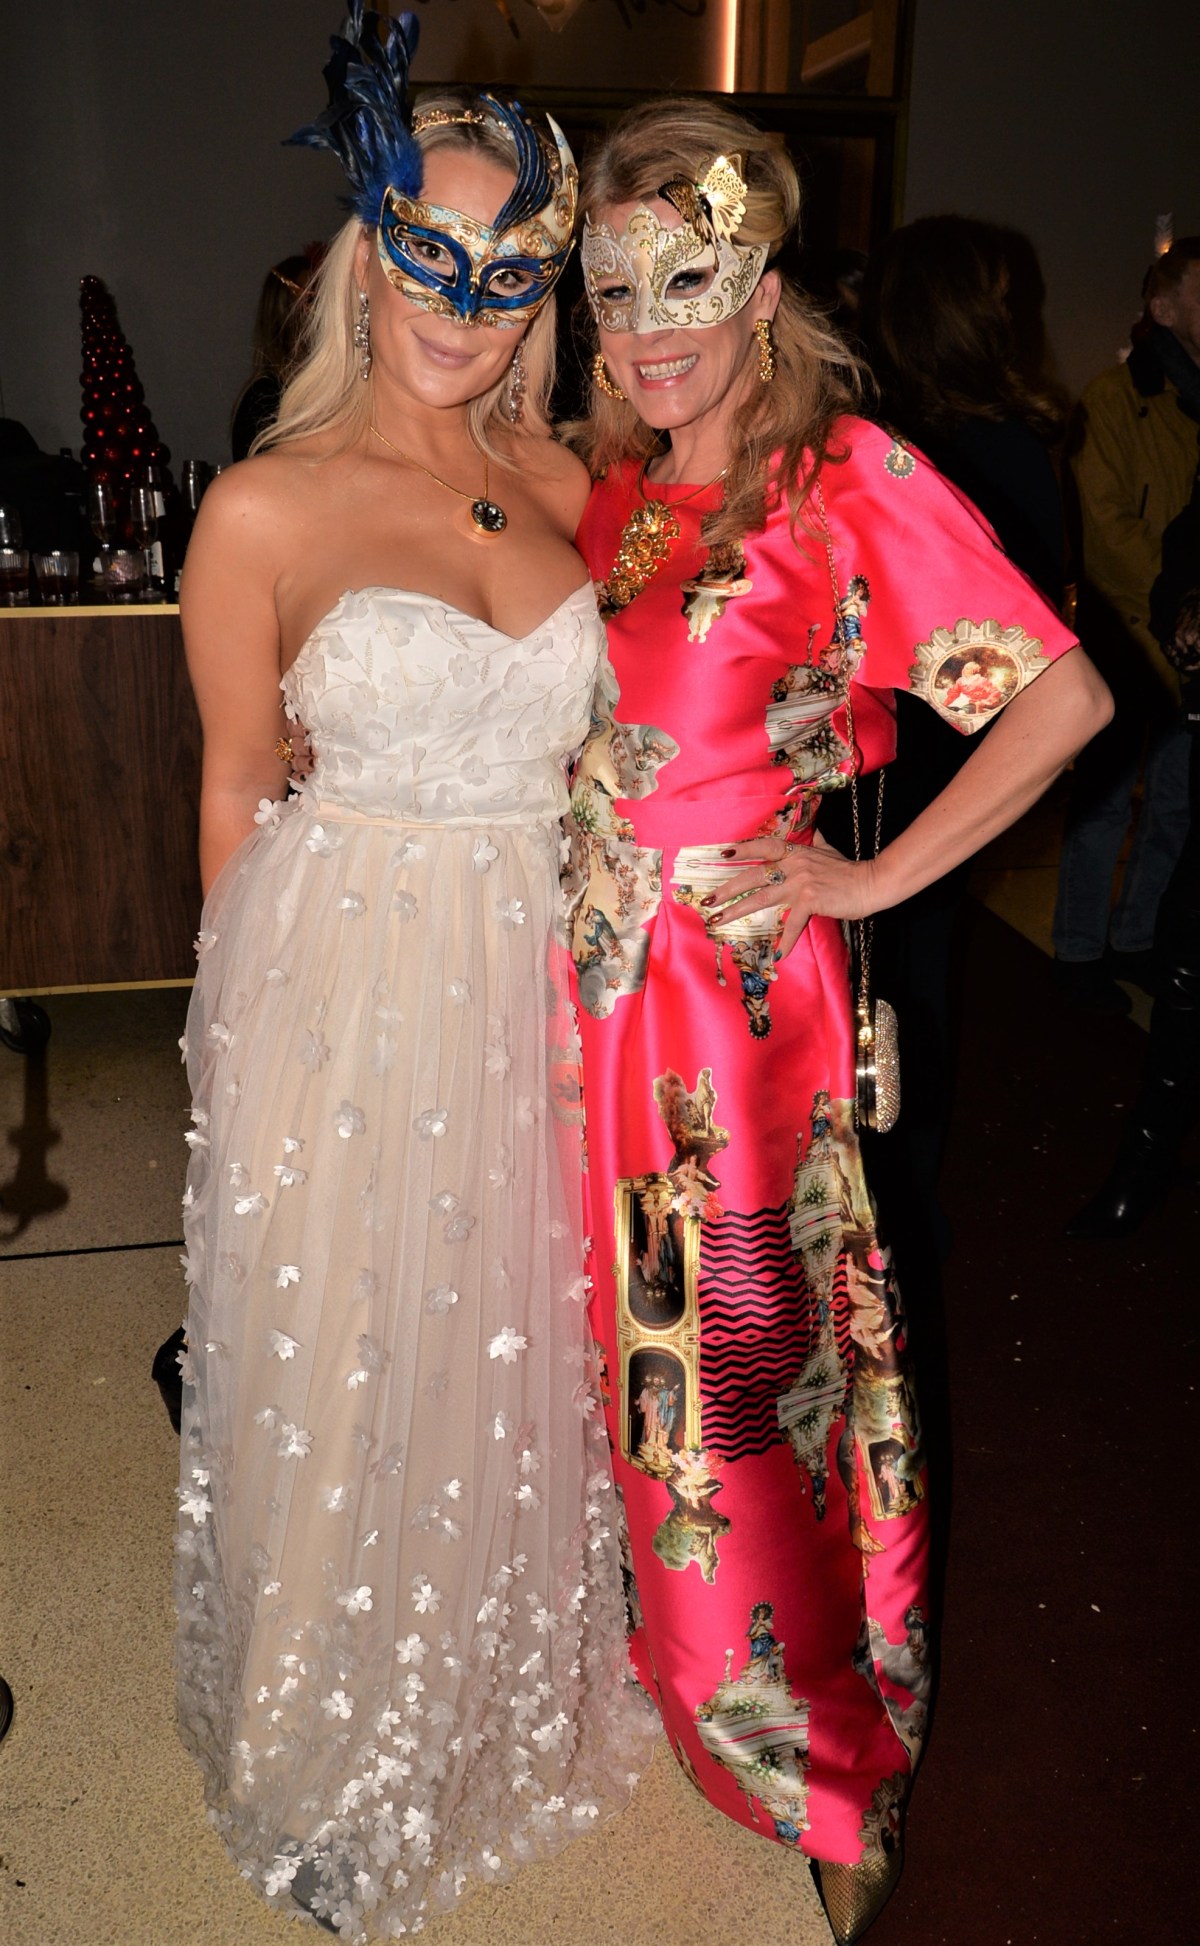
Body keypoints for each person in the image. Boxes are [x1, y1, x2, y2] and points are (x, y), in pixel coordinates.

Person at [564, 99, 1111, 1943]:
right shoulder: (606, 485)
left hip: (728, 1019)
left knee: (737, 1373)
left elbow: (1060, 700)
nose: (649, 326)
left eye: (687, 279)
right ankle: (669, 1663)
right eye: (615, 286)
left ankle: (821, 1751)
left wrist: (873, 882)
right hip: (580, 998)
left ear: (762, 286)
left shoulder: (842, 475)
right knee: (622, 1361)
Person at [174, 11, 653, 1938]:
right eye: (430, 253)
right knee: (348, 1347)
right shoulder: (263, 506)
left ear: (548, 291)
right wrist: (235, 1053)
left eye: (508, 269)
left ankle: (484, 1693)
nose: (463, 301)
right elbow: (233, 787)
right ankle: (329, 1758)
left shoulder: (573, 479)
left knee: (514, 1343)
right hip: (347, 978)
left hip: (537, 973)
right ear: (367, 251)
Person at [1051, 236, 1200, 1011]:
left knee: (1176, 802)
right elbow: (1106, 529)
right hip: (1128, 632)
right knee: (1106, 801)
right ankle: (1078, 951)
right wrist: (1180, 606)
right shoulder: (1115, 399)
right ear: (1163, 307)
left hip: (1189, 640)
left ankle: (1137, 938)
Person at [230, 249, 324, 461]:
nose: (325, 310)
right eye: (312, 299)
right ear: (286, 311)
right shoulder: (265, 397)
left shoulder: (326, 387)